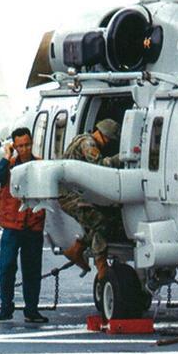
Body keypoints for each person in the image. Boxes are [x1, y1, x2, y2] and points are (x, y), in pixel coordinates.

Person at [0, 127, 47, 323]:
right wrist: (7, 157)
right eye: (20, 146)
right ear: (14, 146)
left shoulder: (40, 165)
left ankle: (32, 310)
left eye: (27, 145)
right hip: (12, 226)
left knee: (32, 270)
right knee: (6, 268)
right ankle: (6, 307)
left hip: (33, 226)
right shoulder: (8, 166)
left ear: (32, 144)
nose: (24, 149)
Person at [58, 119, 124, 282]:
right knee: (100, 222)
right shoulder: (88, 143)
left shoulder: (82, 138)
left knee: (97, 221)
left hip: (72, 194)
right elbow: (100, 165)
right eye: (108, 139)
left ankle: (76, 249)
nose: (107, 143)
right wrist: (120, 158)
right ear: (102, 134)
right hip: (70, 196)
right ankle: (100, 262)